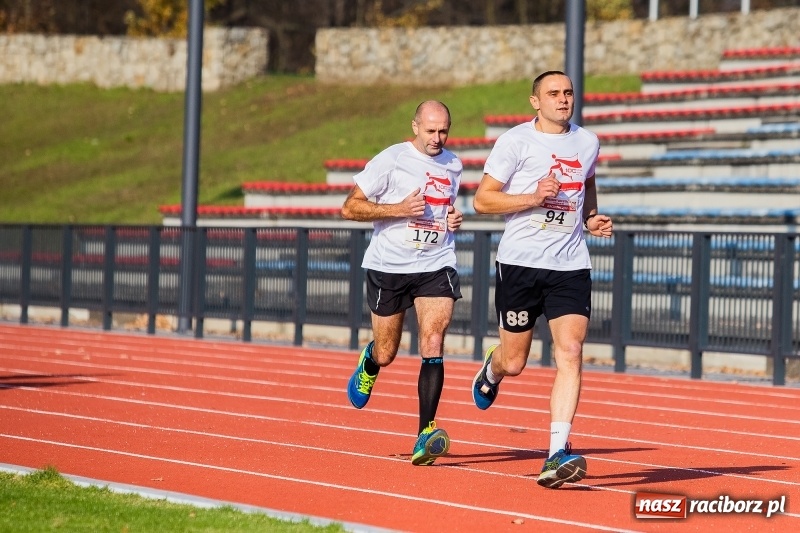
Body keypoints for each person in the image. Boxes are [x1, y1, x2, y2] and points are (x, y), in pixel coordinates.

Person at [471, 71, 613, 488]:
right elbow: (482, 200)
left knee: (570, 351)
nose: (563, 99)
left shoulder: (588, 142)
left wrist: (590, 217)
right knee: (515, 361)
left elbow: (587, 180)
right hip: (520, 264)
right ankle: (492, 372)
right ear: (535, 101)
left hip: (570, 264)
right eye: (553, 93)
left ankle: (556, 452)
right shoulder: (515, 142)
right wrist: (532, 197)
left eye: (568, 93)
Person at [341, 100, 464, 466]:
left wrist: (454, 219)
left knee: (433, 338)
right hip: (389, 267)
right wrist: (397, 209)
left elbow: (445, 208)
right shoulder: (391, 159)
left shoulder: (454, 164)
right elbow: (350, 207)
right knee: (388, 351)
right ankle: (370, 363)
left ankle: (426, 431)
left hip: (435, 262)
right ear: (415, 127)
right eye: (430, 131)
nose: (438, 138)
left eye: (444, 130)